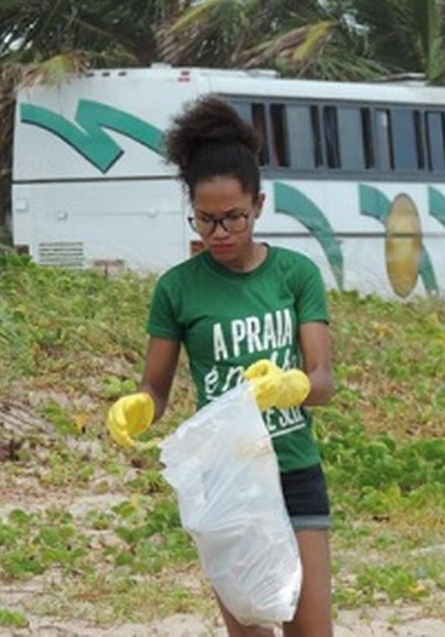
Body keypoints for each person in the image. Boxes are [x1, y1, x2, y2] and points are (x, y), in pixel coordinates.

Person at [104, 95, 335, 637]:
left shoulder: (295, 275)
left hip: (294, 470)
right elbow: (154, 389)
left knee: (310, 630)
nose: (220, 232)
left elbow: (324, 381)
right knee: (251, 629)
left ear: (258, 204)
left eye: (233, 217)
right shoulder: (177, 289)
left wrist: (292, 384)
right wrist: (139, 407)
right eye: (206, 219)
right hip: (227, 480)